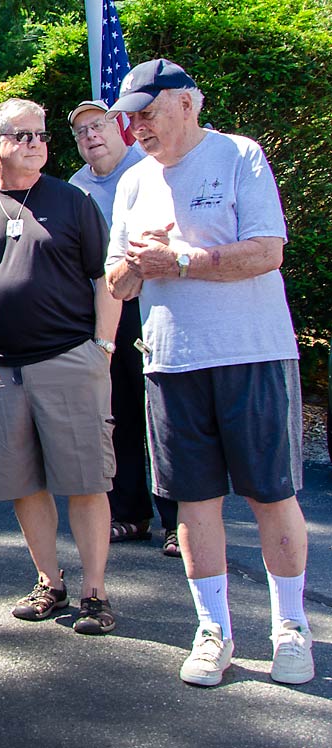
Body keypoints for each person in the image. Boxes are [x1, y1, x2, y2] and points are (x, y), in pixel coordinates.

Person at [105, 59, 314, 686]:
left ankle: (291, 629)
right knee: (195, 503)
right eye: (129, 115)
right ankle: (214, 631)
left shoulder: (239, 155)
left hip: (251, 354)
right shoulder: (133, 181)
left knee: (271, 494)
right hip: (171, 361)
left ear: (188, 104)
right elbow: (116, 283)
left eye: (147, 111)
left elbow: (268, 251)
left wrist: (183, 259)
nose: (134, 125)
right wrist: (141, 265)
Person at [0, 98, 120, 636]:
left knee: (86, 482)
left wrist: (103, 349)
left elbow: (104, 276)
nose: (36, 143)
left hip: (68, 362)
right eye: (22, 135)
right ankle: (50, 581)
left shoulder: (73, 201)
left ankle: (95, 593)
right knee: (23, 483)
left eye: (41, 135)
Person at [64, 100, 170, 553]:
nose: (91, 136)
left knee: (165, 413)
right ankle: (131, 514)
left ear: (119, 126)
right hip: (107, 310)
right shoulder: (75, 187)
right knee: (118, 411)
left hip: (159, 305)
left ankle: (182, 519)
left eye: (99, 125)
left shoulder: (149, 169)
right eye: (81, 131)